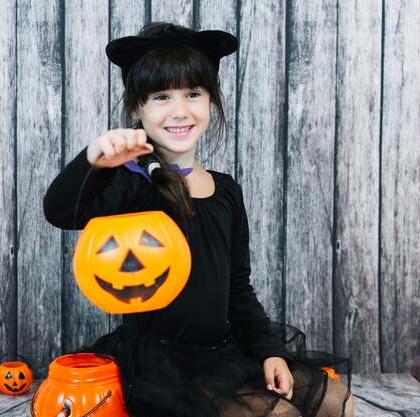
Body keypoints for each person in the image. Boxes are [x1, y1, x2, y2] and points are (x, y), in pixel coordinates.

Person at [43, 22, 353, 417]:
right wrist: (93, 163)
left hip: (220, 352)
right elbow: (59, 212)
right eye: (161, 96)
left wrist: (270, 351)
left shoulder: (225, 191)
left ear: (210, 101)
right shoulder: (132, 184)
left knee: (336, 402)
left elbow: (237, 286)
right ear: (137, 108)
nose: (180, 110)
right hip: (163, 366)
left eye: (193, 93)